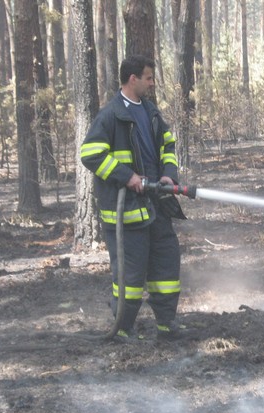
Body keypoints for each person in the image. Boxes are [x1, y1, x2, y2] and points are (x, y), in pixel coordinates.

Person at [80, 54, 184, 342]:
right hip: (127, 214)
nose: (152, 83)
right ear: (133, 79)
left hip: (157, 205)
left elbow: (167, 145)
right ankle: (123, 328)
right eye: (149, 77)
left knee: (166, 266)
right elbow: (90, 154)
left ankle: (166, 324)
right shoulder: (111, 115)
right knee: (131, 276)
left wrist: (168, 174)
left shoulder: (150, 111)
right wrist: (127, 176)